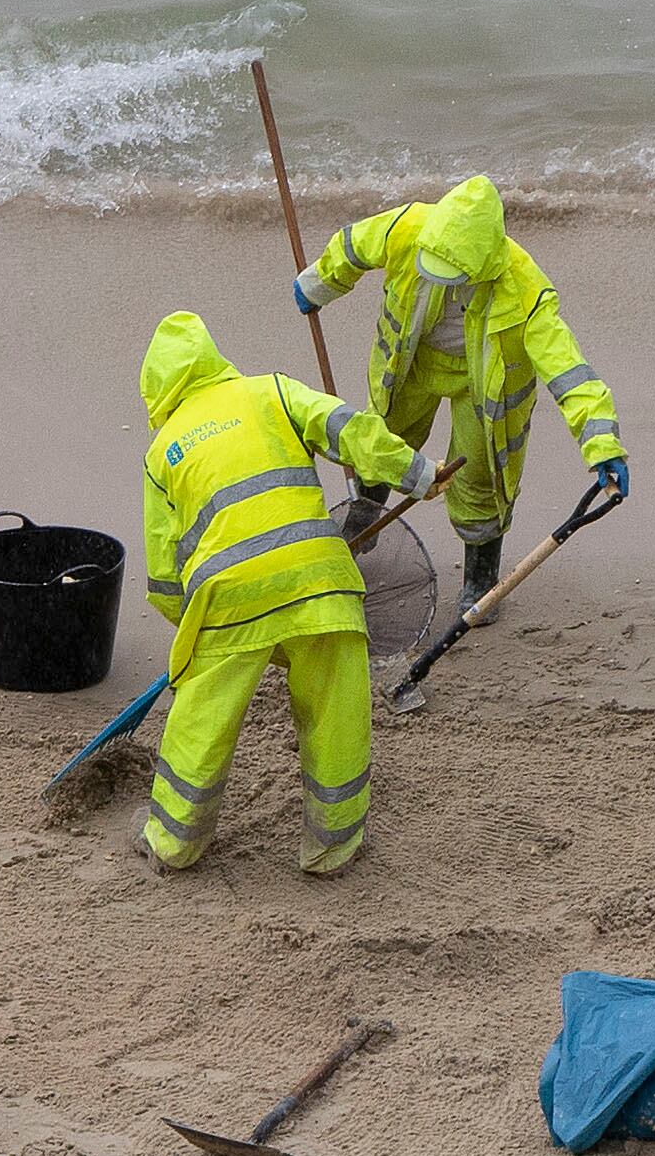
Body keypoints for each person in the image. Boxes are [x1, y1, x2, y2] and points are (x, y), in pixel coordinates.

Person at [135, 311, 443, 878]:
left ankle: (172, 844)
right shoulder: (271, 392)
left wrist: (195, 626)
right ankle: (333, 850)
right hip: (323, 585)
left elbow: (162, 576)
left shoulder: (162, 453)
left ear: (157, 388)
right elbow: (350, 429)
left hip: (226, 603)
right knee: (338, 717)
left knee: (201, 720)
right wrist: (419, 473)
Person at [294, 174, 629, 623]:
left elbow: (569, 373)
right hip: (413, 362)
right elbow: (353, 246)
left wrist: (602, 444)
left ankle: (480, 577)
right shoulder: (408, 228)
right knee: (382, 441)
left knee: (479, 476)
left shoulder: (525, 291)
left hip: (482, 384)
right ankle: (365, 519)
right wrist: (320, 283)